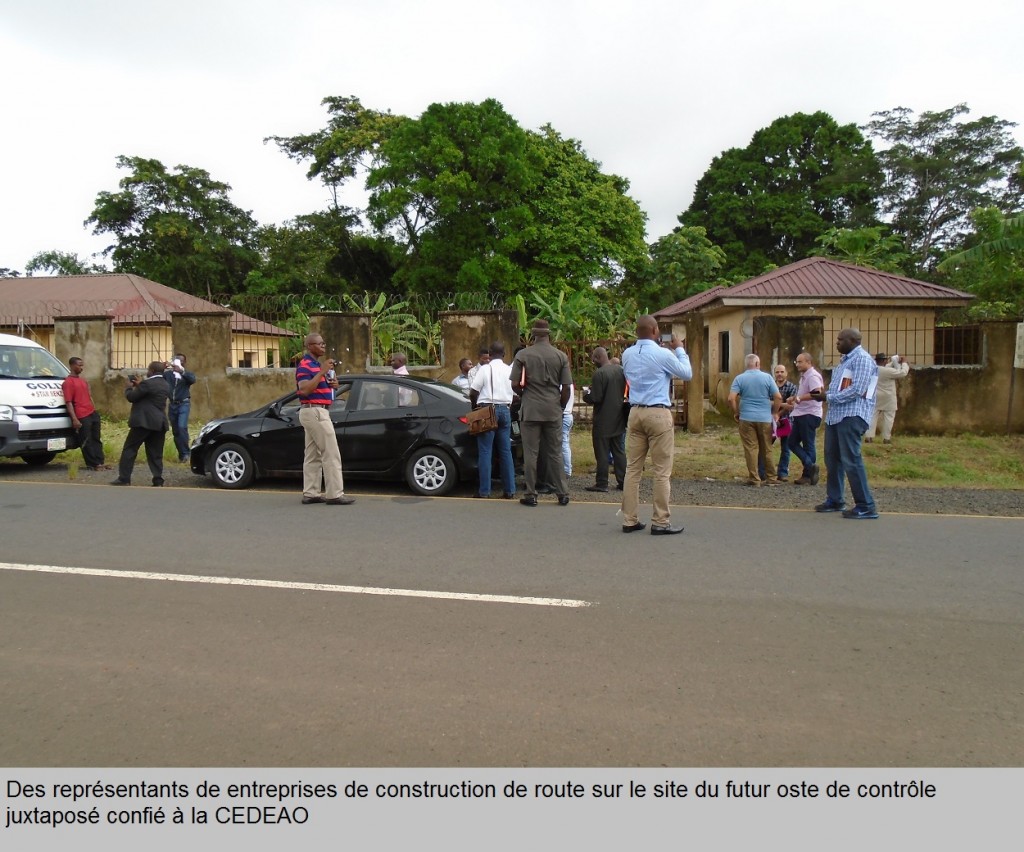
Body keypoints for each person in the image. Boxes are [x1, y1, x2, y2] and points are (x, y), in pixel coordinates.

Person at [620, 316, 692, 535]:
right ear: (653, 330)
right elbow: (686, 373)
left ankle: (629, 519)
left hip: (635, 411)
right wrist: (679, 349)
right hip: (658, 411)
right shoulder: (663, 354)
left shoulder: (627, 354)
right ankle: (660, 520)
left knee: (633, 468)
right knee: (661, 470)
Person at [811, 327, 879, 519]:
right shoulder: (844, 362)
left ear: (853, 341)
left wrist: (828, 397)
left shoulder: (862, 360)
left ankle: (866, 505)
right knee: (833, 459)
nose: (837, 343)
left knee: (851, 459)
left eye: (840, 340)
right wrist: (826, 395)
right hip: (836, 416)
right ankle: (835, 499)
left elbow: (858, 390)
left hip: (852, 415)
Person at [509, 319, 572, 506]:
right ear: (549, 334)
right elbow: (567, 388)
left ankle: (531, 493)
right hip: (553, 409)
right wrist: (559, 406)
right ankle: (562, 493)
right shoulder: (561, 356)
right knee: (555, 452)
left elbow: (514, 384)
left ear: (533, 334)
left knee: (530, 453)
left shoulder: (523, 354)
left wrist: (525, 395)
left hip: (530, 410)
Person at [295, 333, 354, 506]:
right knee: (331, 452)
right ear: (309, 346)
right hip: (314, 411)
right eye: (319, 344)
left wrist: (333, 386)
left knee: (313, 454)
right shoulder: (305, 365)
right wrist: (322, 372)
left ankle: (311, 493)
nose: (323, 346)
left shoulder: (316, 365)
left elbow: (320, 388)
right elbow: (304, 390)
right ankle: (335, 494)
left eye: (324, 343)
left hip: (316, 410)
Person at [469, 341, 516, 500]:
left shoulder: (485, 369)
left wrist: (475, 407)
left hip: (487, 409)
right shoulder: (510, 369)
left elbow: (473, 391)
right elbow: (515, 393)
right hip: (505, 410)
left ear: (489, 353)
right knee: (505, 452)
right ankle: (509, 490)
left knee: (485, 452)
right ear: (504, 354)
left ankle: (484, 491)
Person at [110, 361, 169, 486]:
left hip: (143, 422)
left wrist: (128, 387)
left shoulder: (147, 384)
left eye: (148, 369)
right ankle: (158, 479)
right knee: (155, 453)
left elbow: (132, 397)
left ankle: (124, 478)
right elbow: (150, 393)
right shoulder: (165, 384)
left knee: (130, 449)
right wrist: (140, 385)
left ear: (152, 370)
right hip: (159, 423)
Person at [729, 354, 782, 486]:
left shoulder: (739, 379)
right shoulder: (767, 378)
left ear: (747, 364)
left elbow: (731, 398)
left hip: (746, 417)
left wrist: (736, 412)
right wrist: (775, 412)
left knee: (751, 448)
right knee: (767, 448)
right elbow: (778, 397)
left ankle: (754, 478)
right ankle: (772, 478)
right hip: (764, 418)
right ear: (758, 364)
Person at [583, 346, 627, 492]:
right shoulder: (620, 370)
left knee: (602, 452)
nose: (593, 361)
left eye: (594, 358)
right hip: (618, 417)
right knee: (619, 451)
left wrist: (586, 395)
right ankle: (623, 481)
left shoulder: (599, 374)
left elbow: (596, 397)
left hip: (602, 420)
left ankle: (602, 482)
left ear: (599, 357)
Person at [62, 356, 110, 471]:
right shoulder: (68, 383)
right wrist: (74, 419)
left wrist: (94, 410)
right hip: (81, 414)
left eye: (82, 365)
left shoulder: (83, 380)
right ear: (72, 366)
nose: (81, 368)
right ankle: (93, 463)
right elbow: (68, 402)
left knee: (96, 438)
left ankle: (100, 461)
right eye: (79, 365)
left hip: (91, 412)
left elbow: (89, 396)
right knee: (86, 440)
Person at [789, 351, 824, 485]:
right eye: (796, 362)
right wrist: (794, 399)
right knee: (792, 442)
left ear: (808, 362)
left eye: (800, 362)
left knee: (808, 445)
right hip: (801, 413)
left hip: (809, 414)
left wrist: (799, 398)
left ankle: (808, 473)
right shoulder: (805, 376)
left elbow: (817, 392)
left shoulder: (812, 376)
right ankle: (810, 468)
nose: (797, 364)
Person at [866, 353, 910, 444]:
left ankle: (869, 436)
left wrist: (894, 361)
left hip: (875, 395)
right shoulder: (888, 371)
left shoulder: (872, 369)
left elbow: (887, 367)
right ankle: (886, 438)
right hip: (888, 397)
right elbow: (903, 373)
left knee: (872, 417)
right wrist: (904, 363)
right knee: (889, 418)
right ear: (884, 361)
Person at [163, 353, 196, 463]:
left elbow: (192, 380)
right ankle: (182, 454)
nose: (178, 362)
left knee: (182, 427)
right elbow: (158, 378)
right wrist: (162, 367)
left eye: (181, 361)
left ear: (184, 363)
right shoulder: (168, 375)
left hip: (184, 404)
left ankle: (187, 453)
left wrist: (181, 371)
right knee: (176, 431)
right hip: (172, 405)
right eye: (176, 360)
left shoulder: (186, 374)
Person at [767, 363, 797, 481]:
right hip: (770, 420)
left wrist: (778, 413)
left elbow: (791, 406)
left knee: (786, 448)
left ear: (786, 373)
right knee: (767, 446)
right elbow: (766, 402)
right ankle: (764, 471)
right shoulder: (770, 386)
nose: (779, 374)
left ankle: (783, 472)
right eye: (777, 372)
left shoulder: (792, 387)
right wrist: (782, 405)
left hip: (787, 421)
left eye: (781, 372)